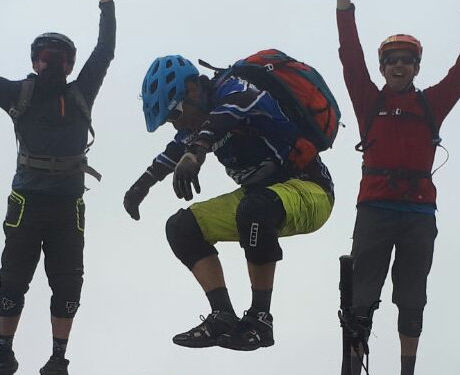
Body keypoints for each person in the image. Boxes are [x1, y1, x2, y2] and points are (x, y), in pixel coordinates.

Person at [332, 0, 460, 375]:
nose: (399, 66)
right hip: (376, 208)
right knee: (361, 299)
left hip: (418, 212)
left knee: (411, 299)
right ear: (382, 69)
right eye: (392, 60)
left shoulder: (430, 103)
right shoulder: (368, 99)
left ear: (417, 68)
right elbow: (348, 51)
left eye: (407, 60)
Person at [0, 0, 116, 375]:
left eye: (59, 58)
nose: (51, 63)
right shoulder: (21, 93)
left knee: (68, 284)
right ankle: (5, 356)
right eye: (45, 57)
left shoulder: (81, 91)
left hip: (65, 204)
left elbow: (105, 52)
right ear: (36, 62)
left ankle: (58, 360)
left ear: (67, 64)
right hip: (30, 202)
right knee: (13, 281)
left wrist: (106, 3)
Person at [123, 55, 334, 351]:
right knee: (182, 227)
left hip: (310, 189)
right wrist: (140, 187)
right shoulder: (197, 121)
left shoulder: (236, 89)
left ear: (194, 89)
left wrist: (196, 152)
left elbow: (228, 113)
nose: (176, 124)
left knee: (255, 209)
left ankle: (260, 319)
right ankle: (222, 316)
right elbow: (173, 150)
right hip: (262, 195)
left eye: (174, 114)